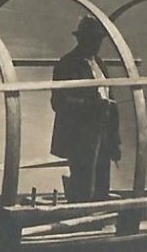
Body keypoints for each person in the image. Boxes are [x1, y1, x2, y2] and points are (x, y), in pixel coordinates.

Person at [50, 15, 121, 202]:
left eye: (98, 40)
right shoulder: (67, 64)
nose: (96, 44)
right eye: (92, 39)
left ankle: (98, 222)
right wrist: (92, 105)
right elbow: (59, 102)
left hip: (103, 133)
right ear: (81, 39)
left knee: (101, 183)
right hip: (80, 137)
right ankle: (81, 222)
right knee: (83, 184)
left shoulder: (100, 64)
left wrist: (115, 141)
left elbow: (111, 100)